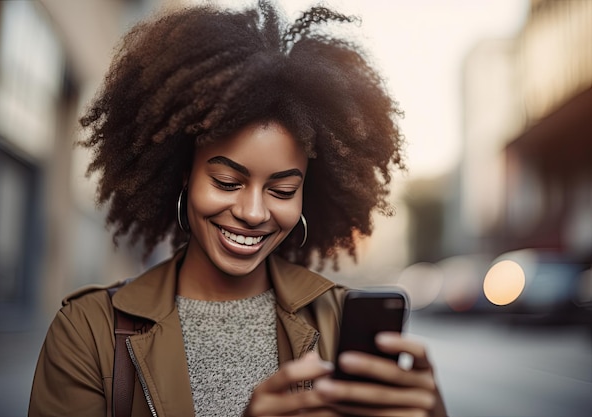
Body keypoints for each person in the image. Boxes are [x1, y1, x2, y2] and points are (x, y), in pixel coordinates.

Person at [29, 1, 447, 416]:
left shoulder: (341, 321)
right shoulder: (89, 331)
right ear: (182, 175)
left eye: (282, 190)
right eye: (227, 182)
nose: (252, 212)